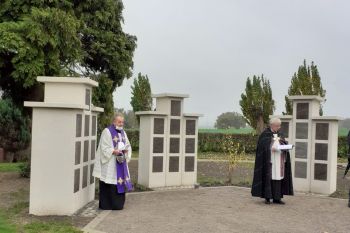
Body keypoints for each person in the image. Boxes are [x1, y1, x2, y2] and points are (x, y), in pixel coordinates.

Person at [93, 114, 133, 210]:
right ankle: (107, 205)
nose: (121, 124)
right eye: (119, 122)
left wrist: (126, 151)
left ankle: (118, 204)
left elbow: (127, 145)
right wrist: (113, 151)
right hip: (110, 162)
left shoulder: (123, 132)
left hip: (120, 161)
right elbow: (104, 147)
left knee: (118, 182)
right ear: (114, 122)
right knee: (109, 181)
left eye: (122, 122)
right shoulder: (107, 131)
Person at [251, 117, 294, 204]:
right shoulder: (265, 134)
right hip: (269, 161)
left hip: (279, 160)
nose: (279, 127)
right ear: (271, 125)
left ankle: (277, 198)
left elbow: (283, 142)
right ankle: (267, 197)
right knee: (269, 177)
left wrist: (284, 146)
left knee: (278, 178)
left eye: (279, 126)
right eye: (277, 126)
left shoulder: (280, 133)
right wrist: (270, 147)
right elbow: (262, 147)